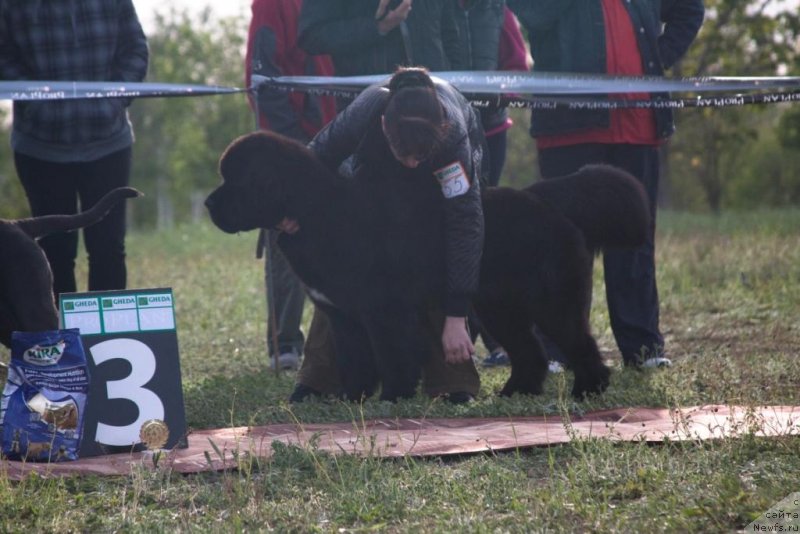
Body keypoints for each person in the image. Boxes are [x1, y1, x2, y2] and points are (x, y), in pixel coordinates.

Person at [507, 0, 704, 367]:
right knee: (557, 245)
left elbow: (690, 9)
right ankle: (555, 349)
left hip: (638, 126)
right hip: (569, 127)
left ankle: (642, 348)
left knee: (634, 240)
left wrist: (655, 57)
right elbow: (533, 13)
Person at [287, 67, 485, 404]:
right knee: (345, 267)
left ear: (443, 130)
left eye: (419, 156)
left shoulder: (453, 138)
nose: (411, 162)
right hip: (369, 184)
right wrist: (293, 210)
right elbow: (313, 160)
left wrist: (457, 315)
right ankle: (321, 376)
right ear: (383, 127)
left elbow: (465, 222)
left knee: (435, 256)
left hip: (437, 202)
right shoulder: (365, 113)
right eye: (403, 153)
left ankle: (452, 377)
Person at [0, 0, 149, 299]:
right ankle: (61, 338)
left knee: (108, 248)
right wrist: (38, 103)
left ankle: (106, 340)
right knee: (54, 251)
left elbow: (135, 50)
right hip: (40, 148)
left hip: (109, 143)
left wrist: (112, 101)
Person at [245, 0, 337, 370]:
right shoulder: (272, 5)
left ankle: (334, 339)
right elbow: (263, 76)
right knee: (285, 238)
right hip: (289, 141)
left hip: (335, 134)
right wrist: (293, 143)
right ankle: (284, 344)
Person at [449, 2, 531, 368]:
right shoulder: (429, 10)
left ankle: (499, 337)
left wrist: (499, 93)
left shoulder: (500, 12)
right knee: (454, 229)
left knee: (486, 233)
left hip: (491, 132)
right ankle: (458, 331)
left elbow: (517, 68)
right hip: (445, 136)